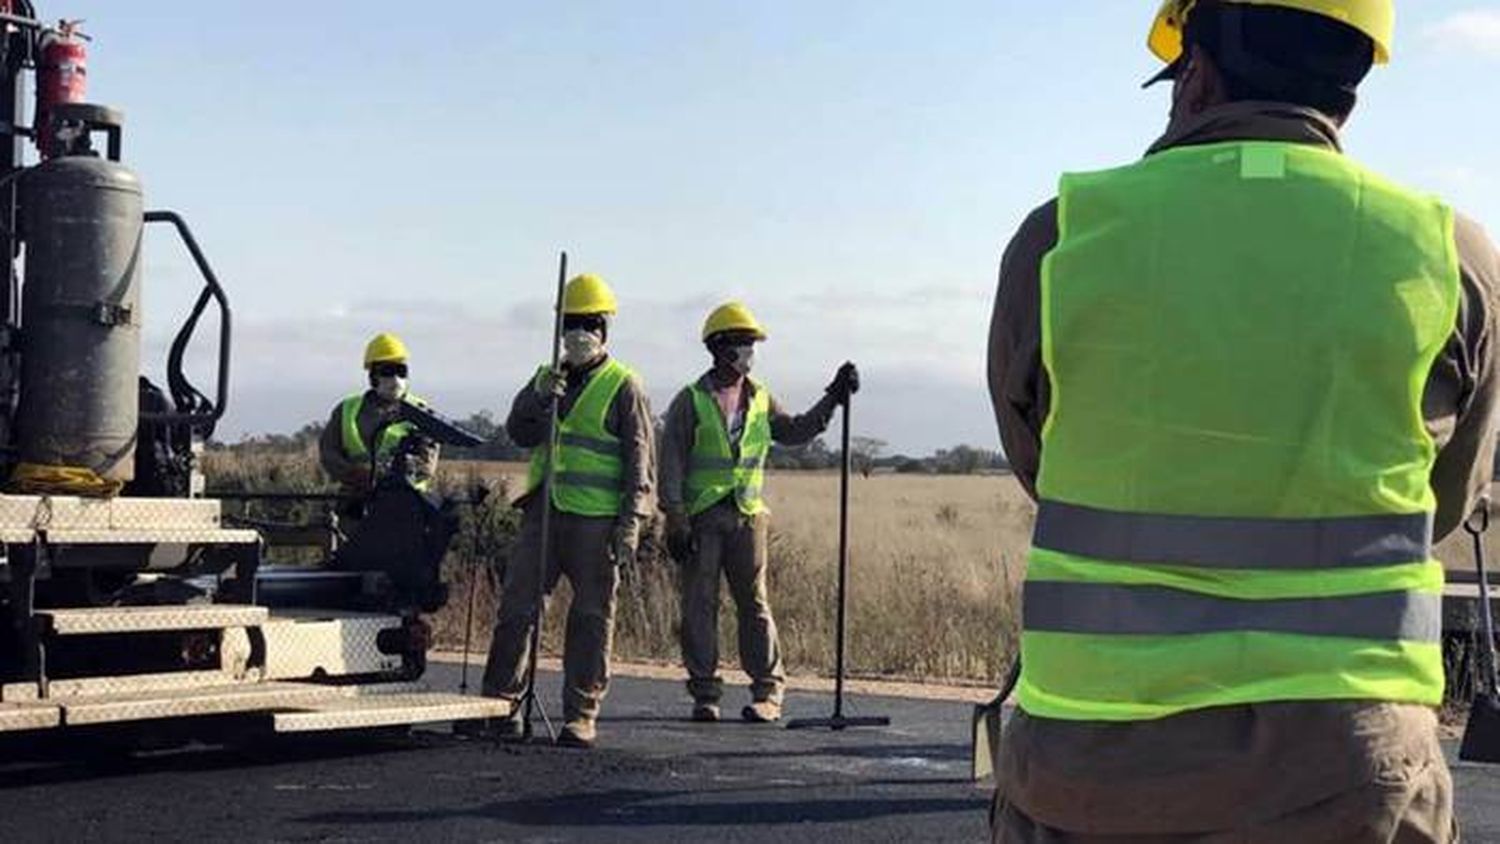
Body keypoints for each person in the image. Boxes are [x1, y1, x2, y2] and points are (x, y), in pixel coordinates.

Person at [987, 1, 1500, 840]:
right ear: (1353, 83)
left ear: (1199, 73)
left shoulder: (1059, 239)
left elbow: (1042, 467)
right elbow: (1443, 503)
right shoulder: (1453, 257)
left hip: (1089, 772)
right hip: (1350, 772)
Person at [659, 301, 859, 723]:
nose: (749, 351)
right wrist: (674, 517)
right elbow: (672, 460)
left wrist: (833, 398)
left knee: (754, 604)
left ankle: (768, 692)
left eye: (751, 344)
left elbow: (797, 431)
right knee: (700, 605)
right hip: (702, 517)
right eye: (742, 343)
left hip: (747, 517)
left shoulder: (761, 399)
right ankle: (705, 693)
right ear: (718, 347)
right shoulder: (690, 401)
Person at [480, 273, 655, 749]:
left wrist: (632, 522)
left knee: (592, 617)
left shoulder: (624, 385)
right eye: (571, 324)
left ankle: (581, 713)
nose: (579, 333)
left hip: (596, 524)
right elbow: (518, 432)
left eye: (589, 324)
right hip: (544, 512)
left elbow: (641, 460)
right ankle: (500, 705)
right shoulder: (545, 379)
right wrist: (540, 395)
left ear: (604, 330)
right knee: (518, 610)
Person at [318, 333, 438, 531]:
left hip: (407, 509)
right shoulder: (347, 409)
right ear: (373, 375)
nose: (396, 379)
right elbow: (329, 453)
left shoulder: (422, 411)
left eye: (401, 371)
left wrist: (389, 479)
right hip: (355, 508)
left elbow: (427, 464)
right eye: (388, 372)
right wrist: (356, 475)